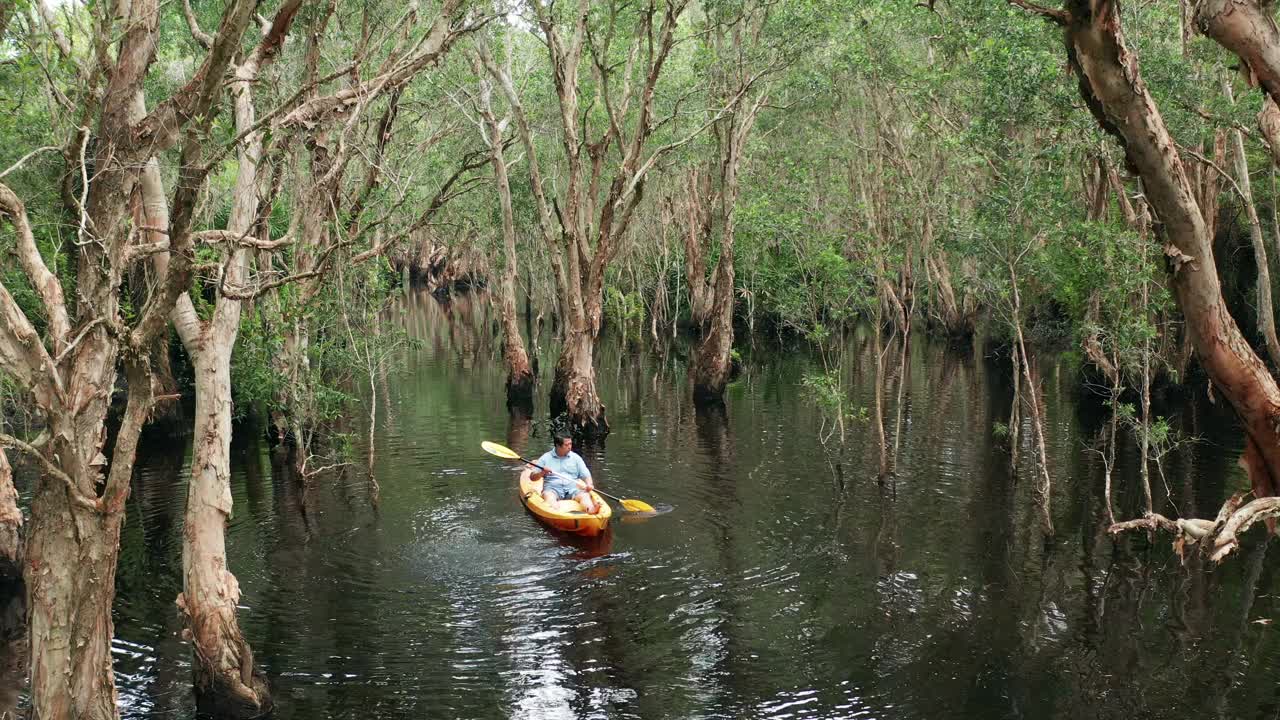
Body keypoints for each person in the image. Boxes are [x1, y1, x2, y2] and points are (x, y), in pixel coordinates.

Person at [531, 432, 600, 514]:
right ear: (557, 445)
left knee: (584, 495)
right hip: (552, 489)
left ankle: (590, 509)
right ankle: (555, 512)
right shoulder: (545, 458)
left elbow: (586, 474)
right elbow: (532, 477)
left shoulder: (576, 458)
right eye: (566, 445)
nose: (569, 447)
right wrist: (542, 472)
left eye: (570, 444)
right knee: (549, 496)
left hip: (572, 488)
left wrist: (589, 484)